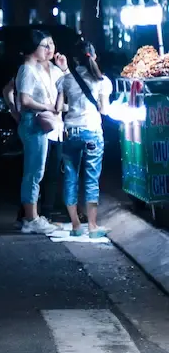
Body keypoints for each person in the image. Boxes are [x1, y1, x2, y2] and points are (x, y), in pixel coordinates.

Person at [11, 30, 65, 235]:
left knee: (36, 172)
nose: (49, 49)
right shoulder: (27, 69)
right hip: (33, 124)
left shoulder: (34, 69)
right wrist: (47, 107)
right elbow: (24, 100)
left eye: (51, 44)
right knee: (34, 173)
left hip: (37, 125)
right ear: (34, 48)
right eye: (45, 45)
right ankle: (31, 219)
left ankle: (31, 216)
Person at [57, 41, 112, 239]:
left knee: (70, 177)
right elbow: (104, 110)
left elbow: (59, 107)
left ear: (74, 59)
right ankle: (93, 226)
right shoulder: (102, 81)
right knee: (91, 180)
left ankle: (75, 225)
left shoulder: (65, 80)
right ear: (93, 56)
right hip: (92, 132)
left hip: (71, 132)